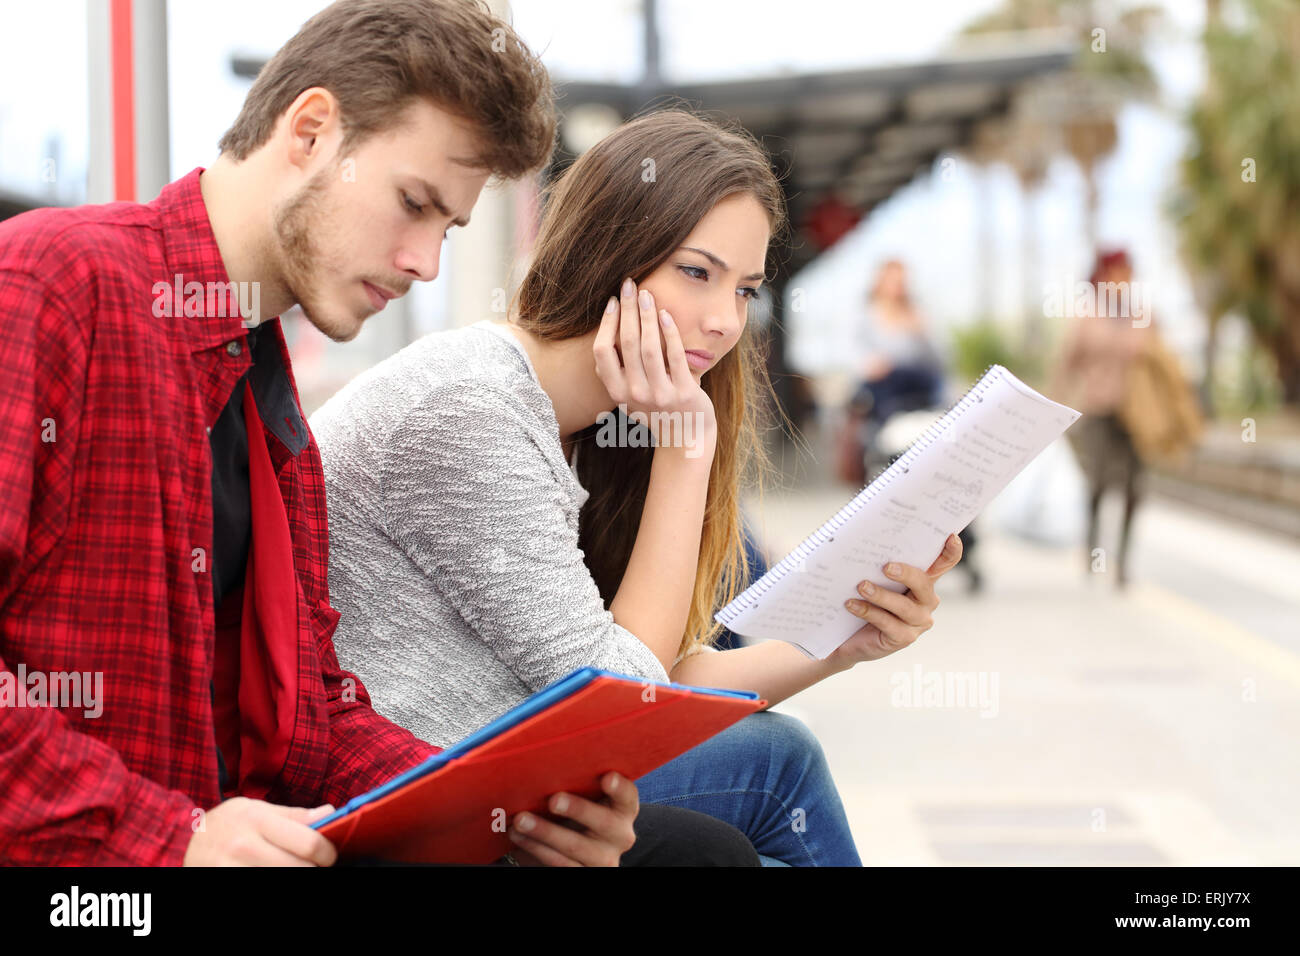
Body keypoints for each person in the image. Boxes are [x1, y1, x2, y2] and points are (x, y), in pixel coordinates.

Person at [0, 0, 759, 867]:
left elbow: (315, 716)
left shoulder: (263, 396)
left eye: (450, 227)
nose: (425, 262)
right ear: (313, 130)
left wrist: (508, 816)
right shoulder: (56, 287)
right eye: (413, 203)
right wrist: (171, 839)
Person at [311, 109, 967, 867]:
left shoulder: (597, 424)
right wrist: (686, 453)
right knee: (776, 770)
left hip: (517, 777)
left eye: (747, 290)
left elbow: (663, 674)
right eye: (697, 273)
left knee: (779, 768)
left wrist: (844, 644)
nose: (724, 322)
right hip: (421, 805)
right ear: (608, 253)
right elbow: (630, 697)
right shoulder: (470, 410)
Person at [1051, 250, 1154, 589]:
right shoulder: (1088, 316)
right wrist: (1052, 410)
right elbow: (1066, 364)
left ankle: (1123, 563)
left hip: (1137, 415)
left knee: (1134, 487)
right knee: (1097, 483)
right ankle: (1092, 551)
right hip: (1096, 411)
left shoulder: (1142, 315)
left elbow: (1160, 362)